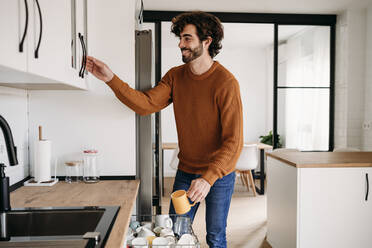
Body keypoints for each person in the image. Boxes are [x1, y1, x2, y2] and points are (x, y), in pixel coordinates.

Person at [86, 11, 243, 248]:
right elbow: (145, 104)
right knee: (172, 235)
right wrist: (110, 78)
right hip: (187, 171)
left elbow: (234, 142)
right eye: (181, 38)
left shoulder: (226, 82)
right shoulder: (175, 76)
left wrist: (208, 178)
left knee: (215, 236)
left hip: (219, 175)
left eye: (187, 38)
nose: (181, 44)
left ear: (207, 41)